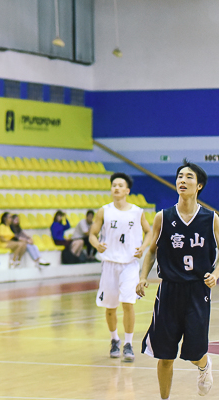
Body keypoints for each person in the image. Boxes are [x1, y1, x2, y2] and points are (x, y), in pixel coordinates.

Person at [137, 161, 218, 399]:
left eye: (189, 177)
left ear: (199, 185)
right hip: (169, 290)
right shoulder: (163, 217)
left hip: (198, 291)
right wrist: (143, 277)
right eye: (179, 176)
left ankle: (204, 365)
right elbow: (152, 251)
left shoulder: (211, 219)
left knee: (194, 352)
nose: (182, 180)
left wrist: (215, 275)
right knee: (165, 356)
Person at [89, 172, 151, 362]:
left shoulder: (137, 211)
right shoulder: (103, 211)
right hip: (109, 264)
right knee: (110, 307)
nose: (116, 188)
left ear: (127, 190)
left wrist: (143, 247)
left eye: (120, 185)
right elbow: (92, 234)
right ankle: (114, 339)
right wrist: (96, 244)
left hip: (130, 264)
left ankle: (128, 343)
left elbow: (149, 232)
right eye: (114, 185)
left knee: (128, 304)